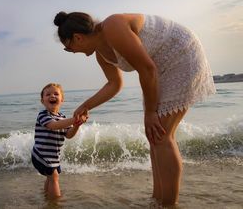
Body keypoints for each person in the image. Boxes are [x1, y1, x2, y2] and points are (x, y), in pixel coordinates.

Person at [53, 12, 215, 206]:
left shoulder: (113, 26)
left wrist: (150, 113)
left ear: (78, 38)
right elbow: (114, 84)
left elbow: (147, 69)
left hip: (181, 54)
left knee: (162, 135)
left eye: (68, 48)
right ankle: (158, 199)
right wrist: (86, 105)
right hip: (158, 69)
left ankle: (169, 204)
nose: (71, 52)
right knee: (154, 135)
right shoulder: (101, 54)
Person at [31, 83, 86, 199]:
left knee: (50, 177)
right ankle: (55, 203)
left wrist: (77, 125)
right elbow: (53, 126)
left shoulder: (62, 117)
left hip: (53, 156)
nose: (52, 96)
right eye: (48, 94)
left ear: (62, 99)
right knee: (54, 177)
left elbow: (69, 135)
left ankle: (47, 197)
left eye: (56, 94)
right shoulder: (43, 115)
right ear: (42, 101)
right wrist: (74, 119)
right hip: (41, 154)